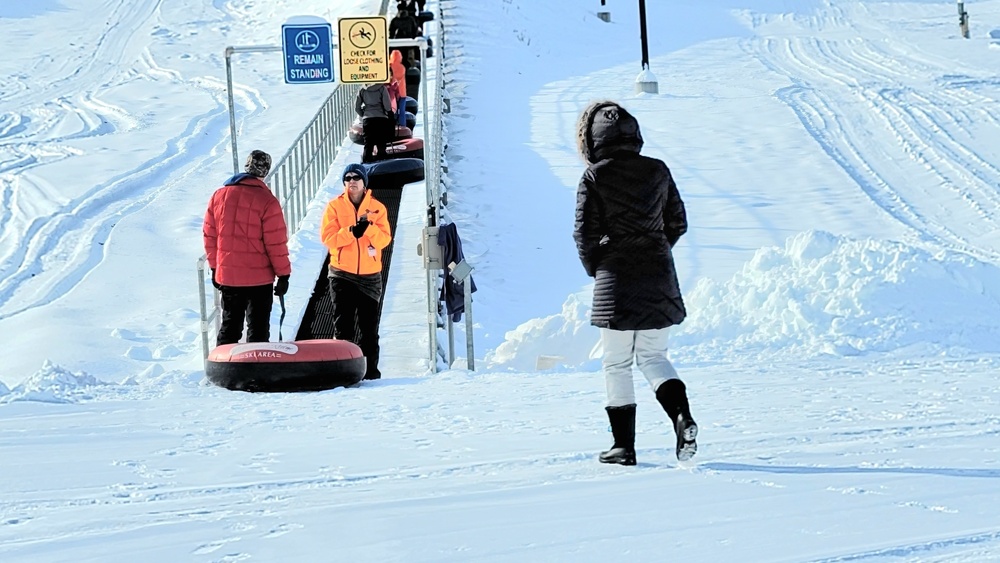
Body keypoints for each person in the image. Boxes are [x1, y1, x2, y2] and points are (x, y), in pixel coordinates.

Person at [573, 101, 697, 466]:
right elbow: (677, 223)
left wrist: (601, 266)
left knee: (616, 363)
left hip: (616, 281)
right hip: (659, 277)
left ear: (592, 140)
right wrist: (654, 248)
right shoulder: (658, 170)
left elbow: (584, 235)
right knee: (654, 356)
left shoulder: (594, 176)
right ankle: (682, 417)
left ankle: (623, 446)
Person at [203, 150, 291, 346]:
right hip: (260, 280)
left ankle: (223, 371)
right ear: (265, 171)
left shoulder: (219, 196)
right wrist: (283, 274)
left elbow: (210, 235)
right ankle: (257, 372)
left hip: (229, 276)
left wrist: (215, 267)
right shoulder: (267, 200)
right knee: (258, 330)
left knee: (230, 327)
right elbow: (275, 242)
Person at [320, 163, 392, 380]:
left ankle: (370, 372)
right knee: (343, 326)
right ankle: (343, 372)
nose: (352, 181)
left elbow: (384, 240)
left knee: (369, 328)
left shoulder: (378, 208)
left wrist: (368, 228)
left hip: (370, 276)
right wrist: (351, 232)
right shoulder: (334, 207)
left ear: (364, 183)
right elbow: (328, 239)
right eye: (348, 178)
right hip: (342, 273)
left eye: (356, 177)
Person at [355, 81, 394, 163]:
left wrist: (364, 114)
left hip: (368, 119)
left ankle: (367, 165)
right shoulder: (382, 88)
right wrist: (388, 113)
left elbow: (357, 107)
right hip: (381, 118)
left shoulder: (362, 89)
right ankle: (382, 164)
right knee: (381, 144)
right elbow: (387, 106)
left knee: (368, 144)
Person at [389, 49, 408, 127]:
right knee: (402, 112)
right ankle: (403, 127)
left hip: (391, 93)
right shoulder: (402, 67)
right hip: (402, 92)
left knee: (391, 111)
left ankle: (392, 127)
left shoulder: (388, 66)